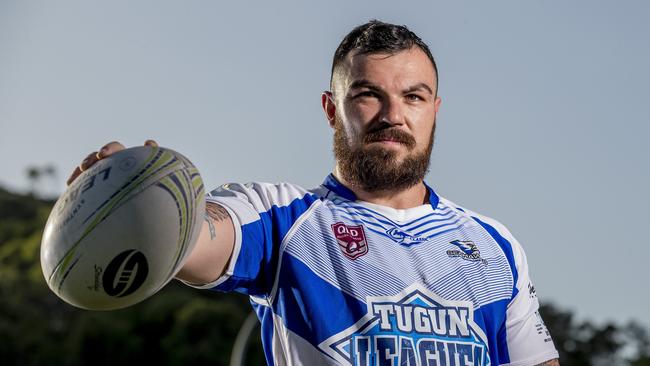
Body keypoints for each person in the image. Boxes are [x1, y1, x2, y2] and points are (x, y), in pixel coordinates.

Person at [68, 20, 560, 366]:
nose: (393, 114)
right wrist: (143, 200)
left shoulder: (495, 245)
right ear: (331, 108)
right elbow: (198, 235)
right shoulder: (282, 217)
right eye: (368, 94)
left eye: (413, 96)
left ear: (434, 109)